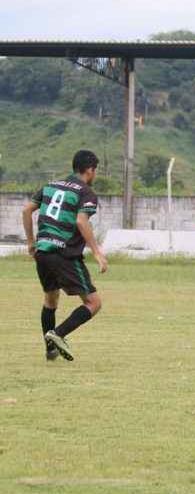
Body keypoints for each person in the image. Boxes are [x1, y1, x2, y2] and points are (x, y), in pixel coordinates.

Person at [21, 150, 108, 362]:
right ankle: (58, 334)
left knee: (51, 298)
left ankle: (50, 351)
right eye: (95, 170)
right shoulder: (86, 193)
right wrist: (97, 252)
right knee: (93, 303)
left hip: (42, 250)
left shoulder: (51, 185)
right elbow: (81, 221)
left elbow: (26, 210)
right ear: (90, 170)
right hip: (63, 253)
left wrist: (32, 242)